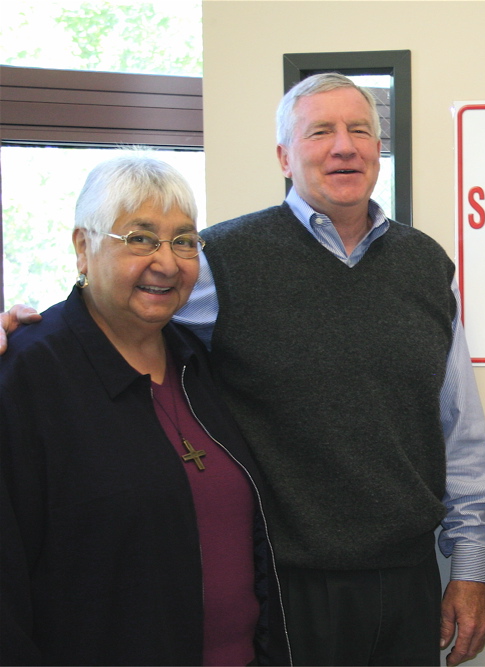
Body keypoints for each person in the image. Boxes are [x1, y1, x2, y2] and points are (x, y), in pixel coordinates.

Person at [176, 72, 485, 666]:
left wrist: (472, 568)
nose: (344, 147)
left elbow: (461, 430)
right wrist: (25, 329)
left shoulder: (426, 265)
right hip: (280, 586)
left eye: (360, 131)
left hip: (408, 582)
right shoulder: (219, 261)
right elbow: (120, 320)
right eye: (320, 131)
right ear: (284, 156)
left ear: (378, 149)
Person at [0, 155, 290, 666]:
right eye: (140, 238)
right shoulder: (27, 375)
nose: (168, 262)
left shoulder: (195, 359)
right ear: (83, 248)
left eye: (184, 241)